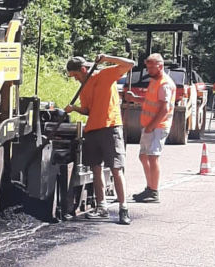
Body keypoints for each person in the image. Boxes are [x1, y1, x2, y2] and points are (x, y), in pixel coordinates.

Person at [64, 54, 135, 224]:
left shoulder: (105, 74)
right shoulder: (84, 88)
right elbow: (88, 110)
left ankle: (123, 208)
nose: (75, 80)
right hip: (92, 130)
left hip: (111, 127)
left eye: (76, 75)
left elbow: (130, 64)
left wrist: (107, 58)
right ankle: (101, 207)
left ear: (83, 69)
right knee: (96, 170)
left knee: (116, 169)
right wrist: (74, 108)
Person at [132, 53, 176, 204]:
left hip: (157, 127)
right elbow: (151, 101)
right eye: (148, 67)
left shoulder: (164, 84)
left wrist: (151, 126)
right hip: (150, 126)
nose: (148, 70)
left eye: (152, 67)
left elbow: (164, 109)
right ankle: (149, 188)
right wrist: (136, 99)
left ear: (160, 66)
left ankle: (154, 191)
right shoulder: (155, 80)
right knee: (144, 156)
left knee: (152, 157)